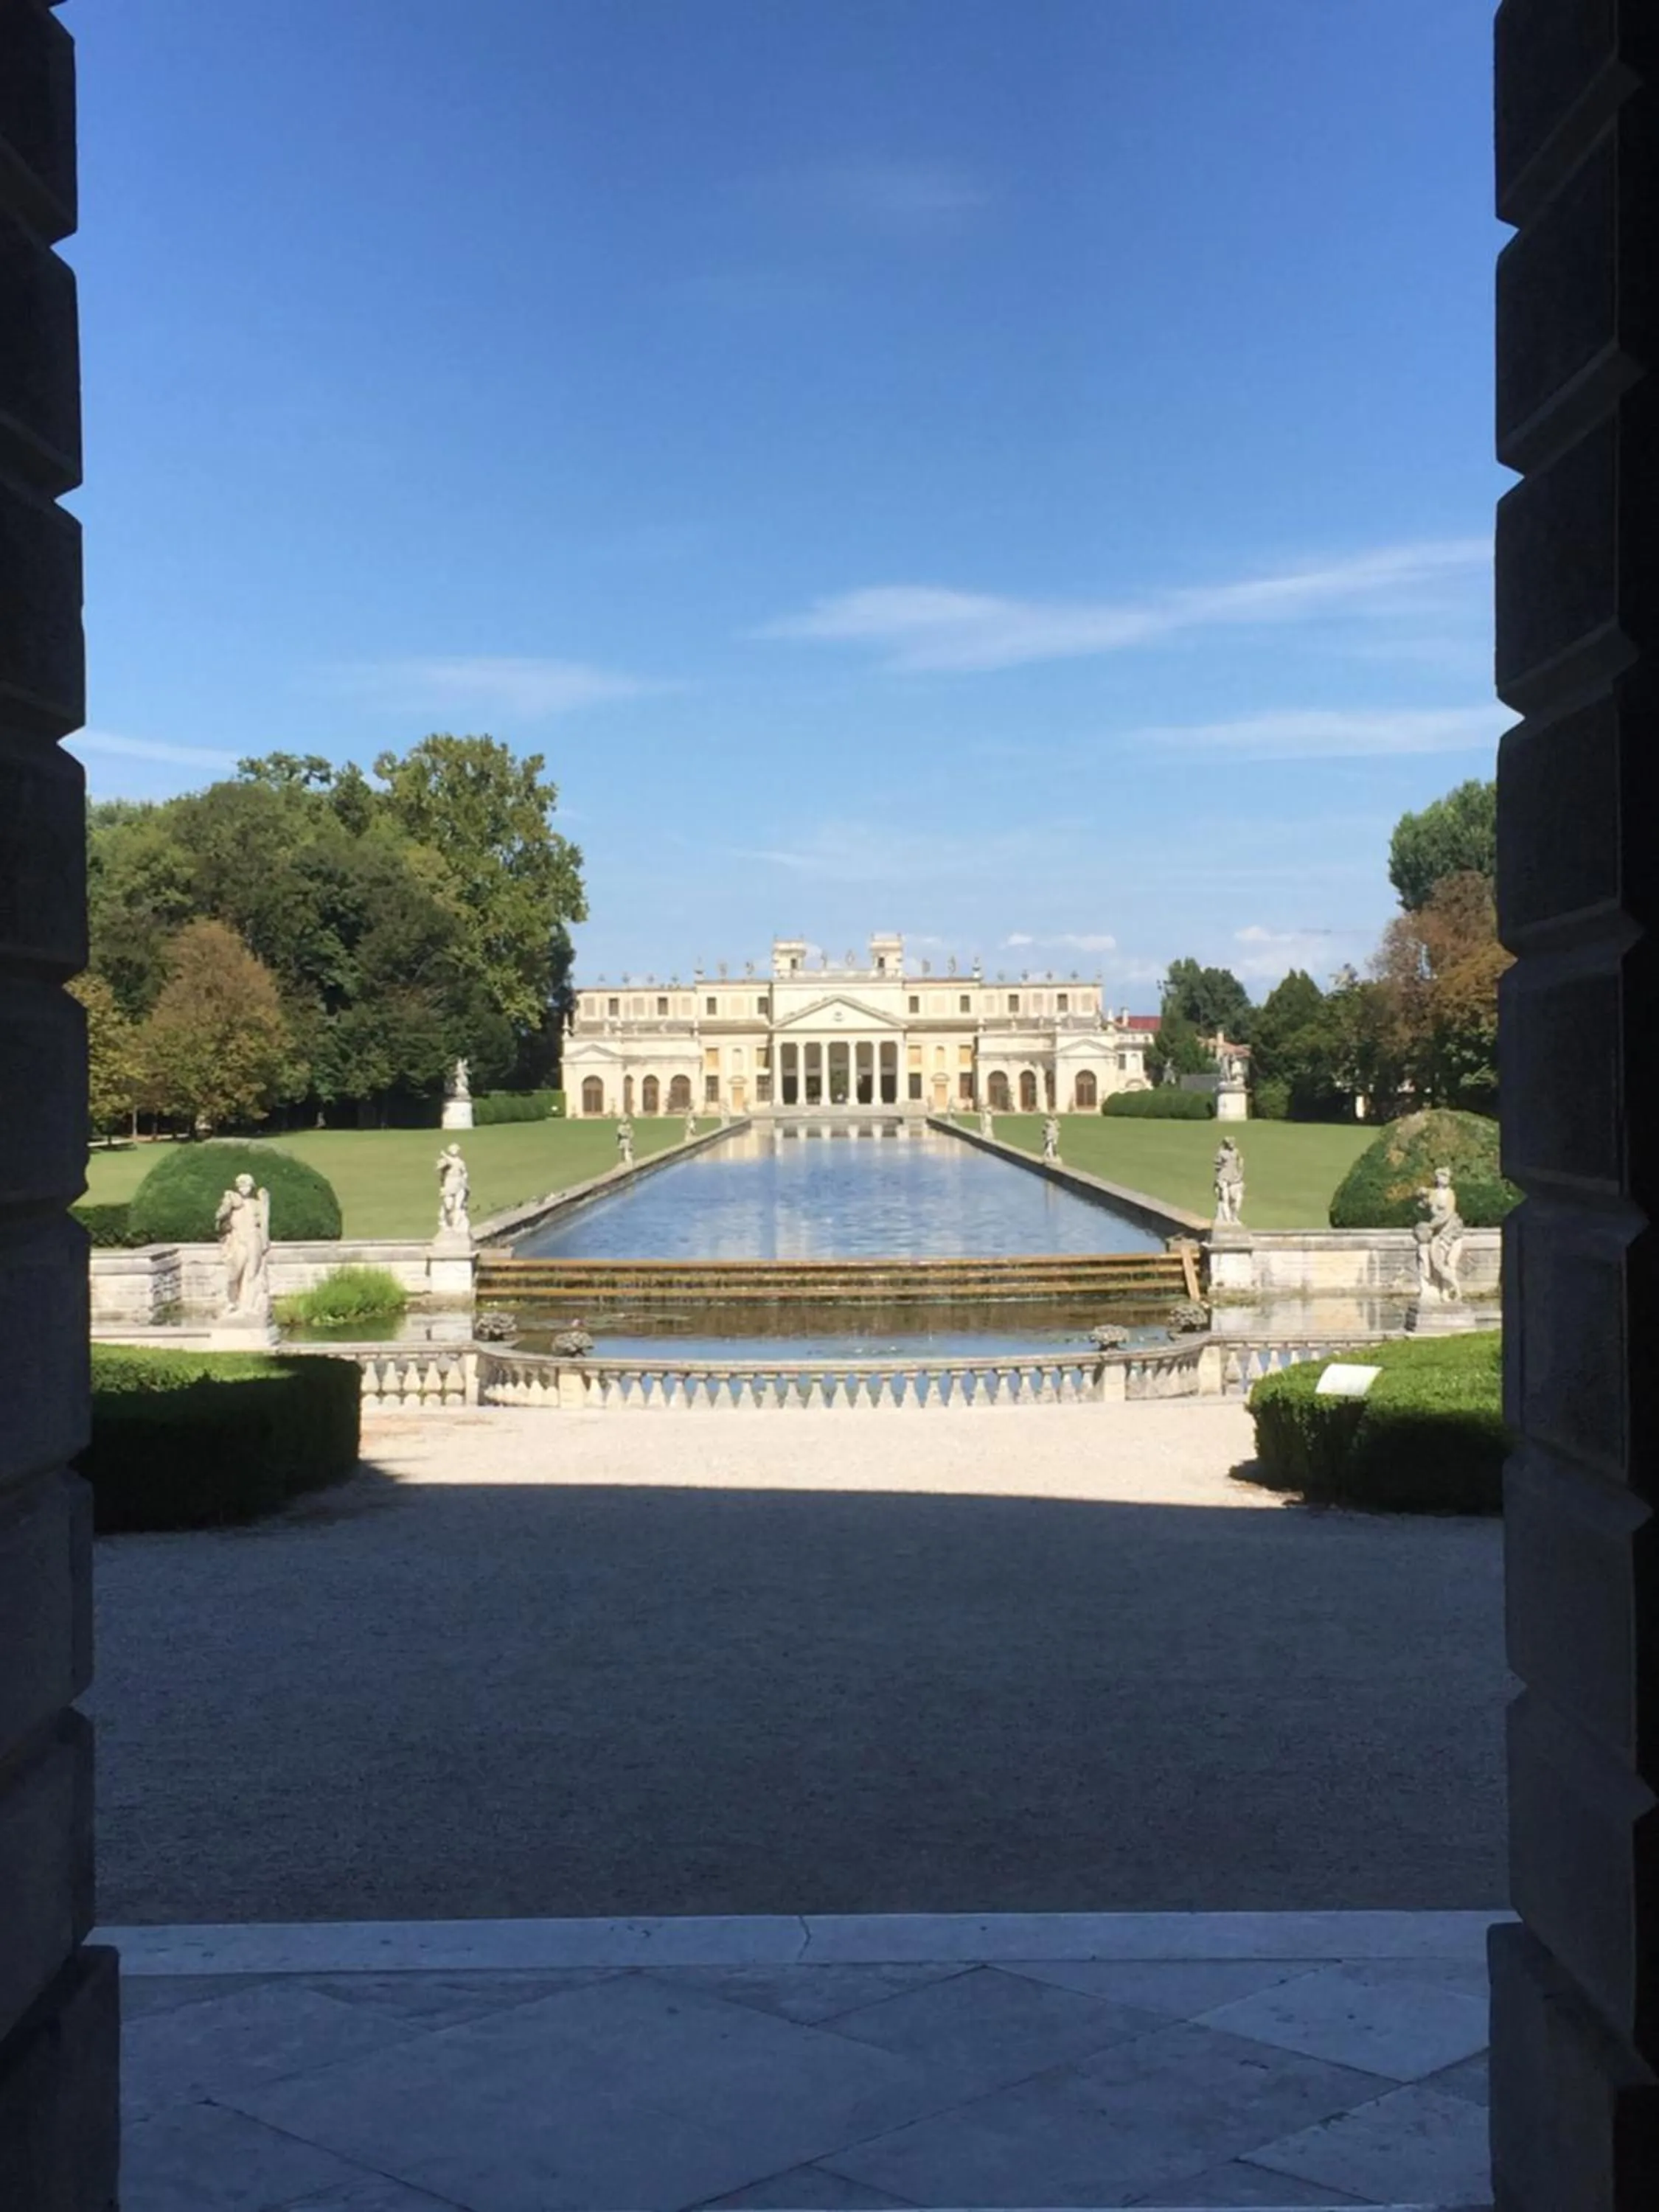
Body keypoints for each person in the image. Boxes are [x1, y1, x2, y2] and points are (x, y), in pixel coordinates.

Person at [215, 1173, 271, 1315]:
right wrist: (227, 1203)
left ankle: (248, 1306)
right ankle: (232, 1302)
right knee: (234, 1273)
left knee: (252, 1273)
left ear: (251, 1187)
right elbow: (219, 1216)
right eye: (240, 1185)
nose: (243, 1188)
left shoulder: (256, 1204)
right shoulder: (234, 1201)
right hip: (238, 1239)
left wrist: (266, 1204)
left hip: (254, 1238)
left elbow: (263, 1223)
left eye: (246, 1185)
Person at [1415, 1166, 1464, 1298]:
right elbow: (1422, 1200)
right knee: (1438, 1262)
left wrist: (1431, 1225)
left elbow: (1448, 1213)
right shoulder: (1434, 1193)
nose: (1445, 1179)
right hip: (1437, 1231)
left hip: (1449, 1230)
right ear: (1437, 1179)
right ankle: (1441, 1291)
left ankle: (1450, 1291)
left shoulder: (1450, 1193)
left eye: (1447, 1177)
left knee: (1448, 1262)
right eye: (1442, 1176)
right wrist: (1422, 1194)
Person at [436, 1142, 470, 1236]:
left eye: (456, 1149)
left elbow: (464, 1172)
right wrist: (445, 1162)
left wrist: (465, 1180)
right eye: (453, 1149)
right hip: (449, 1183)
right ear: (449, 1150)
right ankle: (444, 1222)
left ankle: (456, 1226)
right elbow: (438, 1169)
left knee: (458, 1206)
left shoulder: (461, 1162)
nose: (455, 1151)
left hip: (460, 1184)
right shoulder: (444, 1160)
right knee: (448, 1206)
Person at [1213, 1138, 1245, 1225]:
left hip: (1234, 1177)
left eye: (1233, 1143)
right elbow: (1217, 1164)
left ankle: (1234, 1217)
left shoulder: (1236, 1152)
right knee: (1225, 1199)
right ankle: (1227, 1219)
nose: (1232, 1145)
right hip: (1224, 1177)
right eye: (1230, 1143)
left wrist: (1240, 1171)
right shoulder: (1222, 1153)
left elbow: (1241, 1160)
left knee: (1235, 1198)